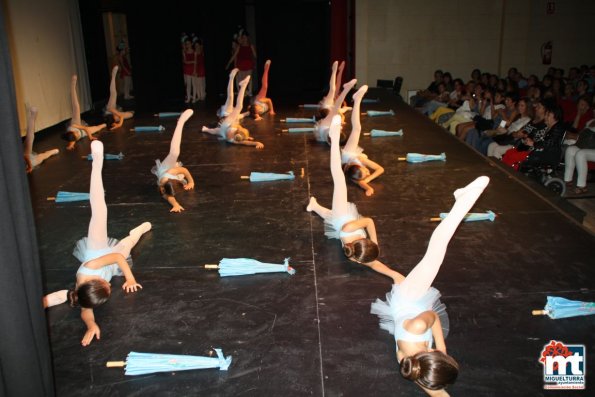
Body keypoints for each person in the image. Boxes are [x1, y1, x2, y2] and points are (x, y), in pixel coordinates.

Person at [371, 175, 490, 396]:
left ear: (436, 355)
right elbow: (436, 392)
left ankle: (464, 199)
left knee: (436, 250)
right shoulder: (413, 366)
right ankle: (379, 267)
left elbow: (432, 316)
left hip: (410, 298)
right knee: (415, 266)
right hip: (405, 314)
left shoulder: (416, 329)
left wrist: (441, 346)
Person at [71, 140, 150, 346]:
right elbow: (86, 311)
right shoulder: (83, 293)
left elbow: (115, 257)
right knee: (129, 243)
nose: (109, 284)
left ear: (94, 282)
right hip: (110, 262)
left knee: (99, 211)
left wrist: (130, 278)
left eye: (105, 285)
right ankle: (140, 229)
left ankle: (97, 161)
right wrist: (91, 325)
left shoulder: (89, 268)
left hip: (95, 251)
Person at [307, 115, 385, 269]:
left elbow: (369, 221)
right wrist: (394, 275)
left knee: (339, 179)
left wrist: (375, 241)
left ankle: (334, 139)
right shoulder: (355, 256)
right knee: (329, 215)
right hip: (340, 224)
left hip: (342, 216)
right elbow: (376, 265)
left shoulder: (350, 229)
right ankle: (314, 206)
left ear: (364, 242)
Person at [341, 85, 384, 196]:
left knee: (357, 128)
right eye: (365, 174)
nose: (368, 172)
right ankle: (357, 99)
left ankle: (357, 100)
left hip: (348, 154)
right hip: (348, 160)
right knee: (357, 129)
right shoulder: (354, 176)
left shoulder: (361, 160)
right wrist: (368, 187)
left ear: (360, 166)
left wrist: (368, 179)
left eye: (365, 172)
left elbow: (380, 169)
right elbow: (361, 184)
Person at [152, 109, 196, 213]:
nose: (162, 191)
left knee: (174, 153)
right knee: (175, 155)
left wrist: (191, 181)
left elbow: (184, 170)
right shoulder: (170, 183)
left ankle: (180, 122)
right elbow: (170, 198)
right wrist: (190, 181)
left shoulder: (168, 175)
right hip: (171, 176)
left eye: (163, 191)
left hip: (165, 169)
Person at [202, 76, 264, 149]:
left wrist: (252, 141)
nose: (240, 128)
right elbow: (246, 143)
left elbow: (239, 132)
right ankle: (205, 129)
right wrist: (254, 142)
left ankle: (243, 86)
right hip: (223, 128)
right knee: (214, 131)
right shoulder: (235, 139)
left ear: (237, 133)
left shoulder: (231, 136)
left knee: (239, 107)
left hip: (225, 125)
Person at [61, 75, 106, 150]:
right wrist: (71, 145)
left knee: (76, 107)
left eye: (75, 133)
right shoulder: (72, 138)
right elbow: (72, 141)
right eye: (77, 136)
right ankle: (105, 124)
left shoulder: (71, 127)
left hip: (77, 125)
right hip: (83, 133)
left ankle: (72, 86)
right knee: (97, 128)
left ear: (72, 132)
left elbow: (85, 128)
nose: (77, 134)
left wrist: (90, 137)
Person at [313, 79, 357, 144]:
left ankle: (346, 89)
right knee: (336, 107)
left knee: (336, 106)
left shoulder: (334, 135)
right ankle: (347, 89)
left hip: (324, 128)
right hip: (324, 129)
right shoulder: (336, 130)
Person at [23, 104, 59, 173]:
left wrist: (30, 167)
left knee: (29, 138)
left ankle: (32, 115)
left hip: (26, 158)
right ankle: (53, 151)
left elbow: (25, 156)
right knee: (42, 157)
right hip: (28, 160)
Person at [226, 31, 256, 96]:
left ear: (248, 38)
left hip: (248, 64)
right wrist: (229, 63)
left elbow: (255, 55)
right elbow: (234, 56)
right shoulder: (239, 46)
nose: (245, 39)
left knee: (249, 79)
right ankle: (243, 92)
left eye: (246, 37)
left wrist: (255, 62)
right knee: (241, 80)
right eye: (243, 37)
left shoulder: (251, 46)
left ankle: (250, 92)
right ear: (242, 38)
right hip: (241, 65)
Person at [182, 35, 197, 103]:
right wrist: (192, 61)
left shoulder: (194, 52)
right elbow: (185, 61)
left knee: (193, 84)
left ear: (191, 44)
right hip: (187, 70)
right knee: (188, 85)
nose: (187, 45)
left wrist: (194, 70)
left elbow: (195, 62)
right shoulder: (184, 52)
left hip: (193, 69)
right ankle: (188, 98)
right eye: (186, 44)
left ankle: (194, 98)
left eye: (188, 43)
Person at [192, 35, 206, 102]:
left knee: (202, 82)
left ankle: (203, 95)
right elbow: (195, 62)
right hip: (198, 68)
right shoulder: (195, 53)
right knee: (198, 82)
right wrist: (194, 70)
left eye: (198, 45)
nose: (197, 47)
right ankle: (199, 95)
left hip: (202, 68)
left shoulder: (202, 52)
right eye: (196, 46)